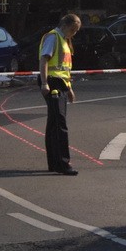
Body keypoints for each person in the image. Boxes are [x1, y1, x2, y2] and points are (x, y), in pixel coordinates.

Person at [39, 13, 81, 175]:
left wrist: (69, 88)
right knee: (60, 125)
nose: (74, 33)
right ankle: (63, 164)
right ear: (65, 25)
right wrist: (44, 83)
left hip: (60, 83)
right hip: (53, 83)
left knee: (53, 124)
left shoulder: (63, 40)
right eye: (73, 29)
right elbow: (44, 60)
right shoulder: (53, 37)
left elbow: (64, 69)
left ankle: (54, 163)